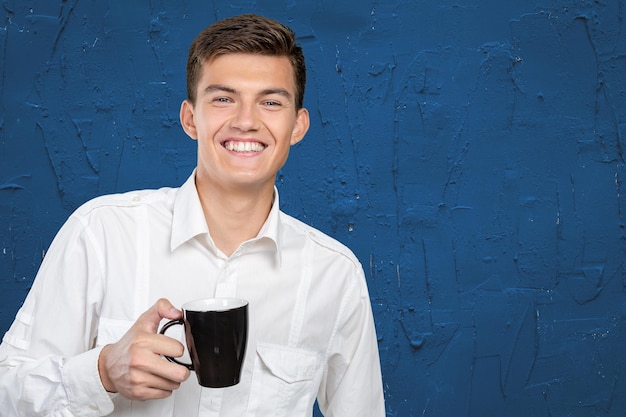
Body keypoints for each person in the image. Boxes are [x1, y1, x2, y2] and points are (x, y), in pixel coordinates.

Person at [0, 13, 385, 417]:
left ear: (298, 126)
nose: (246, 121)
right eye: (223, 99)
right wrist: (101, 372)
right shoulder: (101, 234)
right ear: (190, 119)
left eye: (271, 102)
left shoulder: (335, 275)